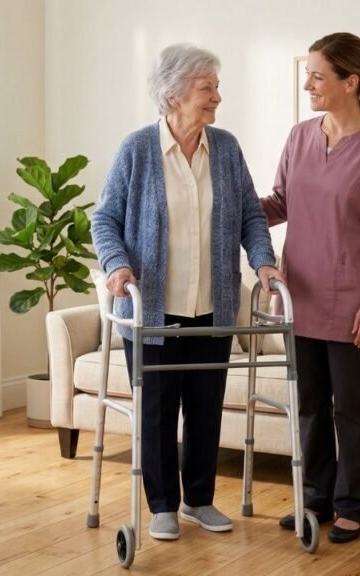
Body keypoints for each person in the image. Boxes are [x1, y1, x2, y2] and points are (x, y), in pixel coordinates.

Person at [92, 43, 282, 541]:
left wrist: (263, 262)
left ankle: (199, 499)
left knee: (205, 406)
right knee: (156, 411)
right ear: (173, 95)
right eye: (207, 88)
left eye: (216, 87)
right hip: (153, 309)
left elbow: (249, 215)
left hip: (212, 304)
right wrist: (117, 266)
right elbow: (105, 218)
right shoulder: (137, 150)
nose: (217, 97)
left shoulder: (226, 148)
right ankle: (161, 506)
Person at [262, 32, 360, 544]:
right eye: (308, 74)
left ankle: (352, 505)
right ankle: (315, 498)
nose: (308, 85)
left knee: (351, 406)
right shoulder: (300, 136)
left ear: (352, 81)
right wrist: (227, 208)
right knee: (309, 405)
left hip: (354, 301)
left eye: (318, 76)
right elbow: (279, 202)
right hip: (300, 294)